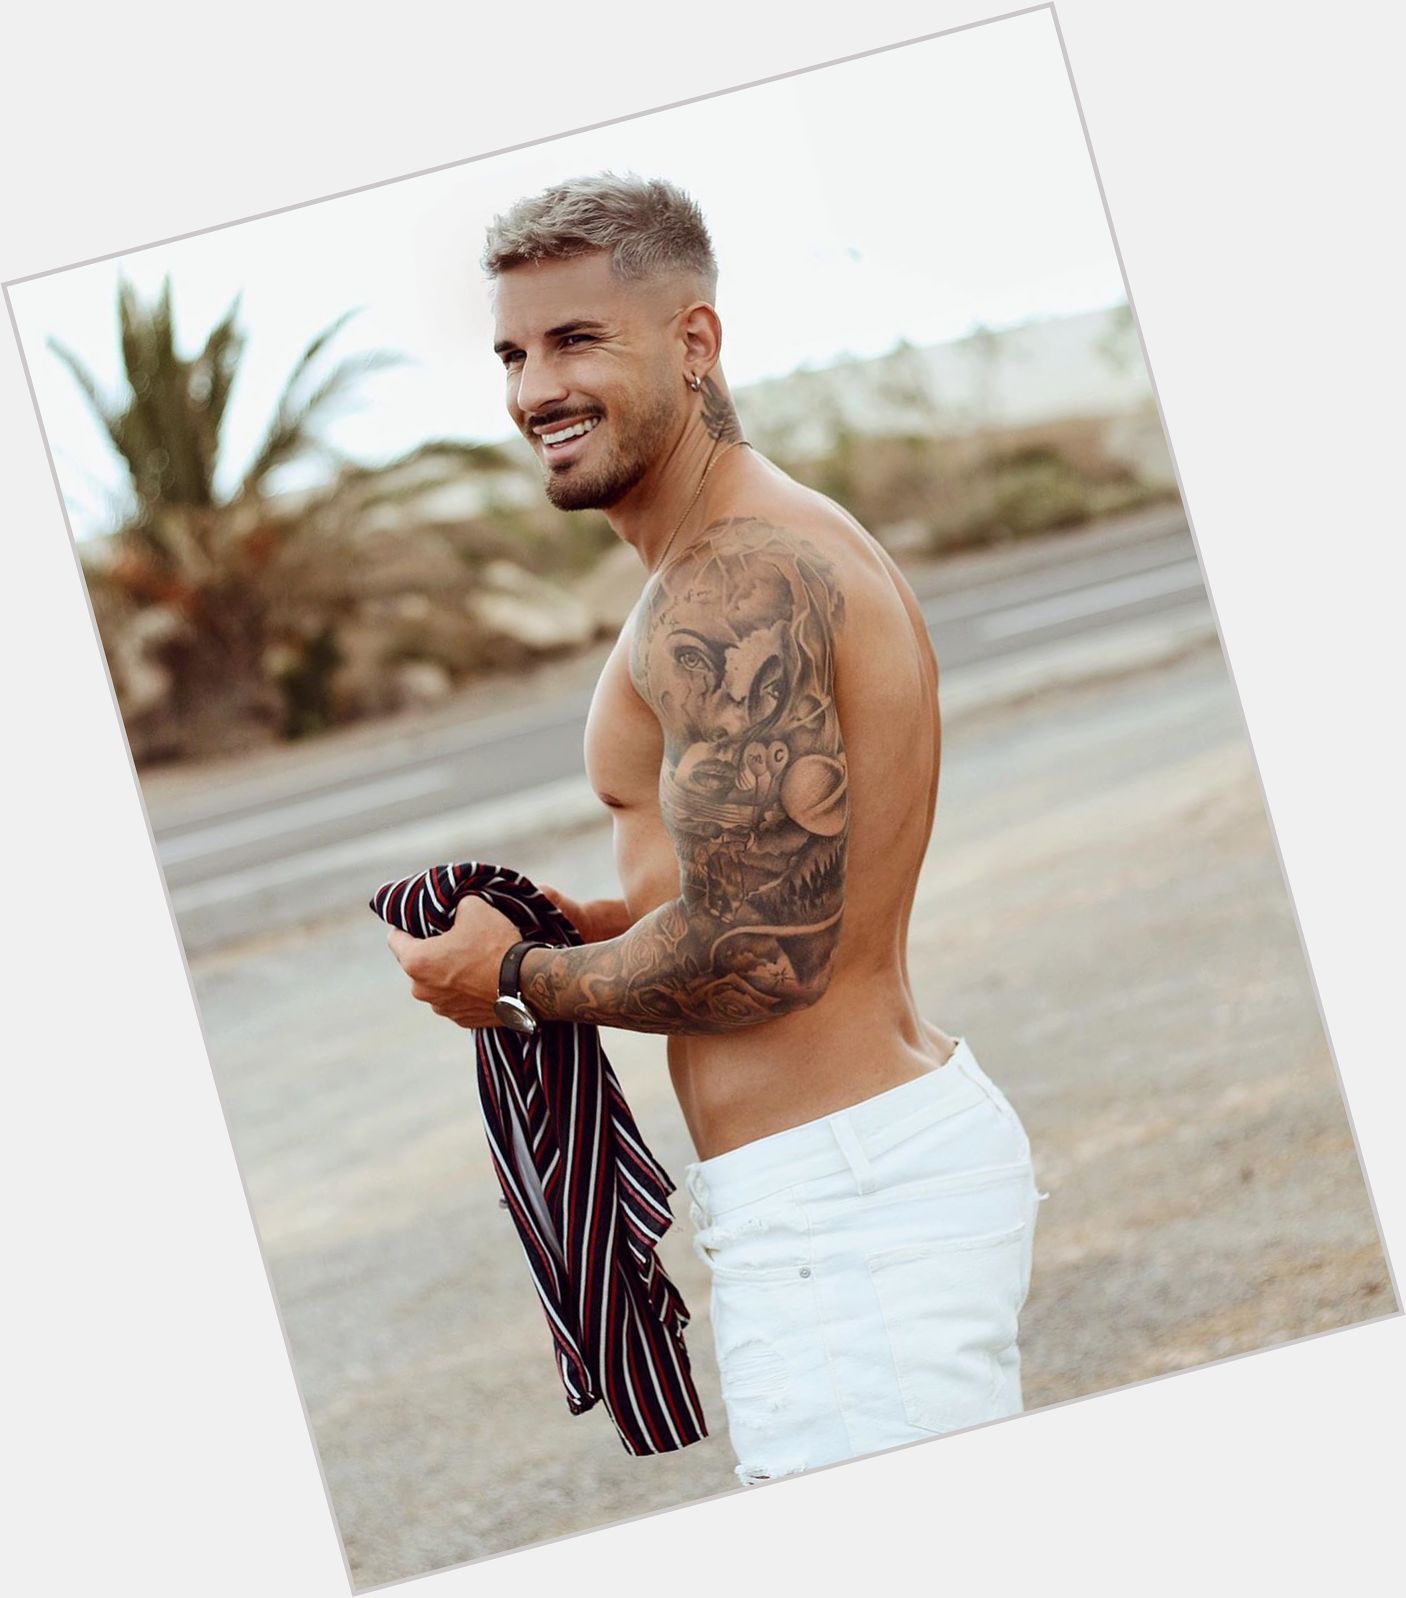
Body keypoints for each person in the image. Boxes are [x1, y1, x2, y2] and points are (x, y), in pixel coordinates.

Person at [385, 172, 1041, 1486]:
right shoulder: (752, 539)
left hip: (845, 1202)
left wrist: (514, 980)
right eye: (513, 354)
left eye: (577, 340)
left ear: (694, 342)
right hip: (854, 1171)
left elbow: (761, 950)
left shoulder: (735, 577)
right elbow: (772, 884)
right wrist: (596, 921)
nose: (535, 391)